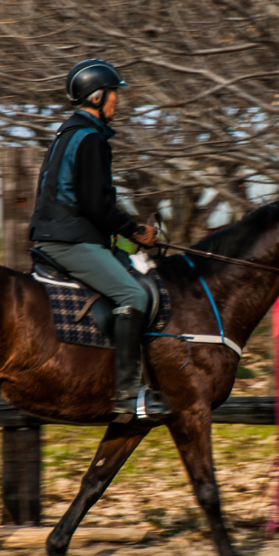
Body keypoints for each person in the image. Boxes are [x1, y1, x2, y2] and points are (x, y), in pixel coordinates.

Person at [29, 59, 168, 419]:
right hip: (69, 241)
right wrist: (136, 231)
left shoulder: (69, 133)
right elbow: (95, 205)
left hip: (63, 235)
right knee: (133, 294)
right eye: (113, 94)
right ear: (96, 97)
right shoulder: (90, 139)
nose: (117, 101)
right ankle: (127, 396)